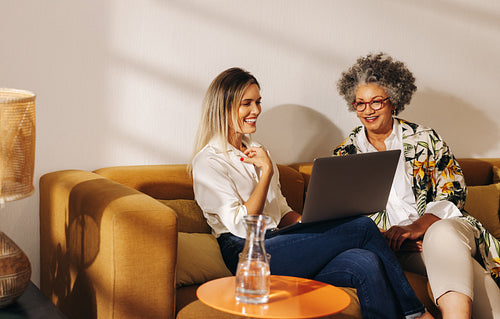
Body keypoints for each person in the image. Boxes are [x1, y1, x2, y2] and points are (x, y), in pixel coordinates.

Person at [191, 67, 433, 319]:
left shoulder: (257, 150)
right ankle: (416, 313)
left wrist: (313, 226)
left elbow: (282, 212)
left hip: (280, 242)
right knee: (361, 226)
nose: (256, 111)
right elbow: (242, 227)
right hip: (249, 256)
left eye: (258, 102)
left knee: (365, 263)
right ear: (224, 107)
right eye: (247, 104)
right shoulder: (208, 162)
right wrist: (266, 174)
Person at [333, 53, 500, 319]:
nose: (368, 110)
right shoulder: (346, 155)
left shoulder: (425, 139)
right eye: (360, 103)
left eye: (376, 101)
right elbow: (345, 216)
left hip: (443, 228)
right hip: (400, 248)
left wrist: (418, 229)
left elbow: (453, 191)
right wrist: (393, 238)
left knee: (442, 234)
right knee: (483, 292)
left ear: (394, 102)